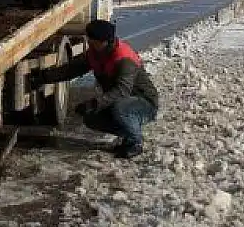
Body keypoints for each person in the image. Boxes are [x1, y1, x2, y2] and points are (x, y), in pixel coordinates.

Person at [29, 18, 159, 159]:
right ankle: (129, 132)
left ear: (106, 41)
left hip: (144, 103)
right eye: (89, 40)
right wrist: (44, 77)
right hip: (121, 101)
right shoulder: (96, 53)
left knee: (119, 108)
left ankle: (135, 143)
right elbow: (71, 70)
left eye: (93, 41)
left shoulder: (124, 59)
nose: (90, 43)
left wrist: (94, 103)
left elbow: (122, 91)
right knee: (91, 118)